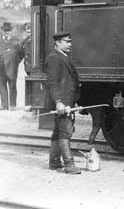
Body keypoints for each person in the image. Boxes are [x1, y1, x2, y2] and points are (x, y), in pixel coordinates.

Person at [44, 31, 81, 174]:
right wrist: (58, 102)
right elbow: (52, 83)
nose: (70, 44)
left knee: (57, 132)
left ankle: (54, 162)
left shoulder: (63, 57)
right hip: (61, 102)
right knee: (65, 132)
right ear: (57, 43)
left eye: (70, 41)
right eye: (67, 41)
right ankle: (69, 165)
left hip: (66, 101)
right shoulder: (54, 58)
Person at [0, 22, 24, 109]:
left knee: (12, 86)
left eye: (8, 30)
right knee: (1, 86)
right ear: (2, 31)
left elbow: (21, 53)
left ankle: (13, 105)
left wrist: (16, 62)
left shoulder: (16, 41)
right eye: (4, 30)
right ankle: (4, 105)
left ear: (11, 31)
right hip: (1, 68)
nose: (6, 32)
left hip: (12, 68)